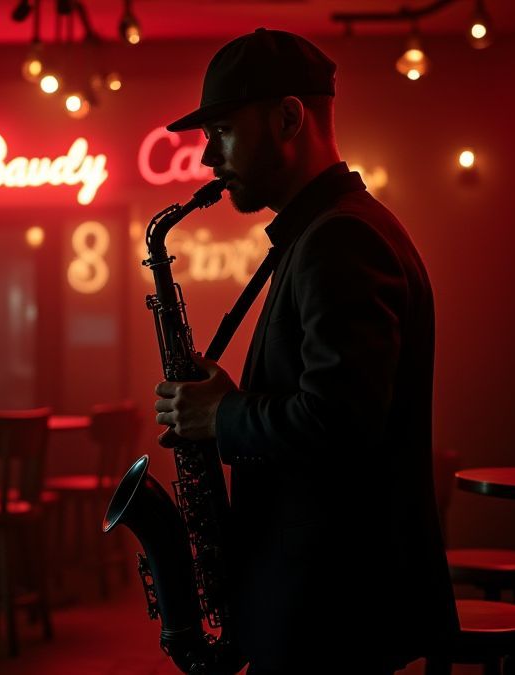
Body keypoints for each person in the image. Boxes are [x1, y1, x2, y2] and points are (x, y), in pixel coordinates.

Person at [151, 28, 459, 674]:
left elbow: (341, 422)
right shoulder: (325, 233)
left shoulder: (340, 240)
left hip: (332, 612)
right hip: (324, 602)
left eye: (223, 131)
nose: (209, 158)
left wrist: (224, 416)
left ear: (288, 117)